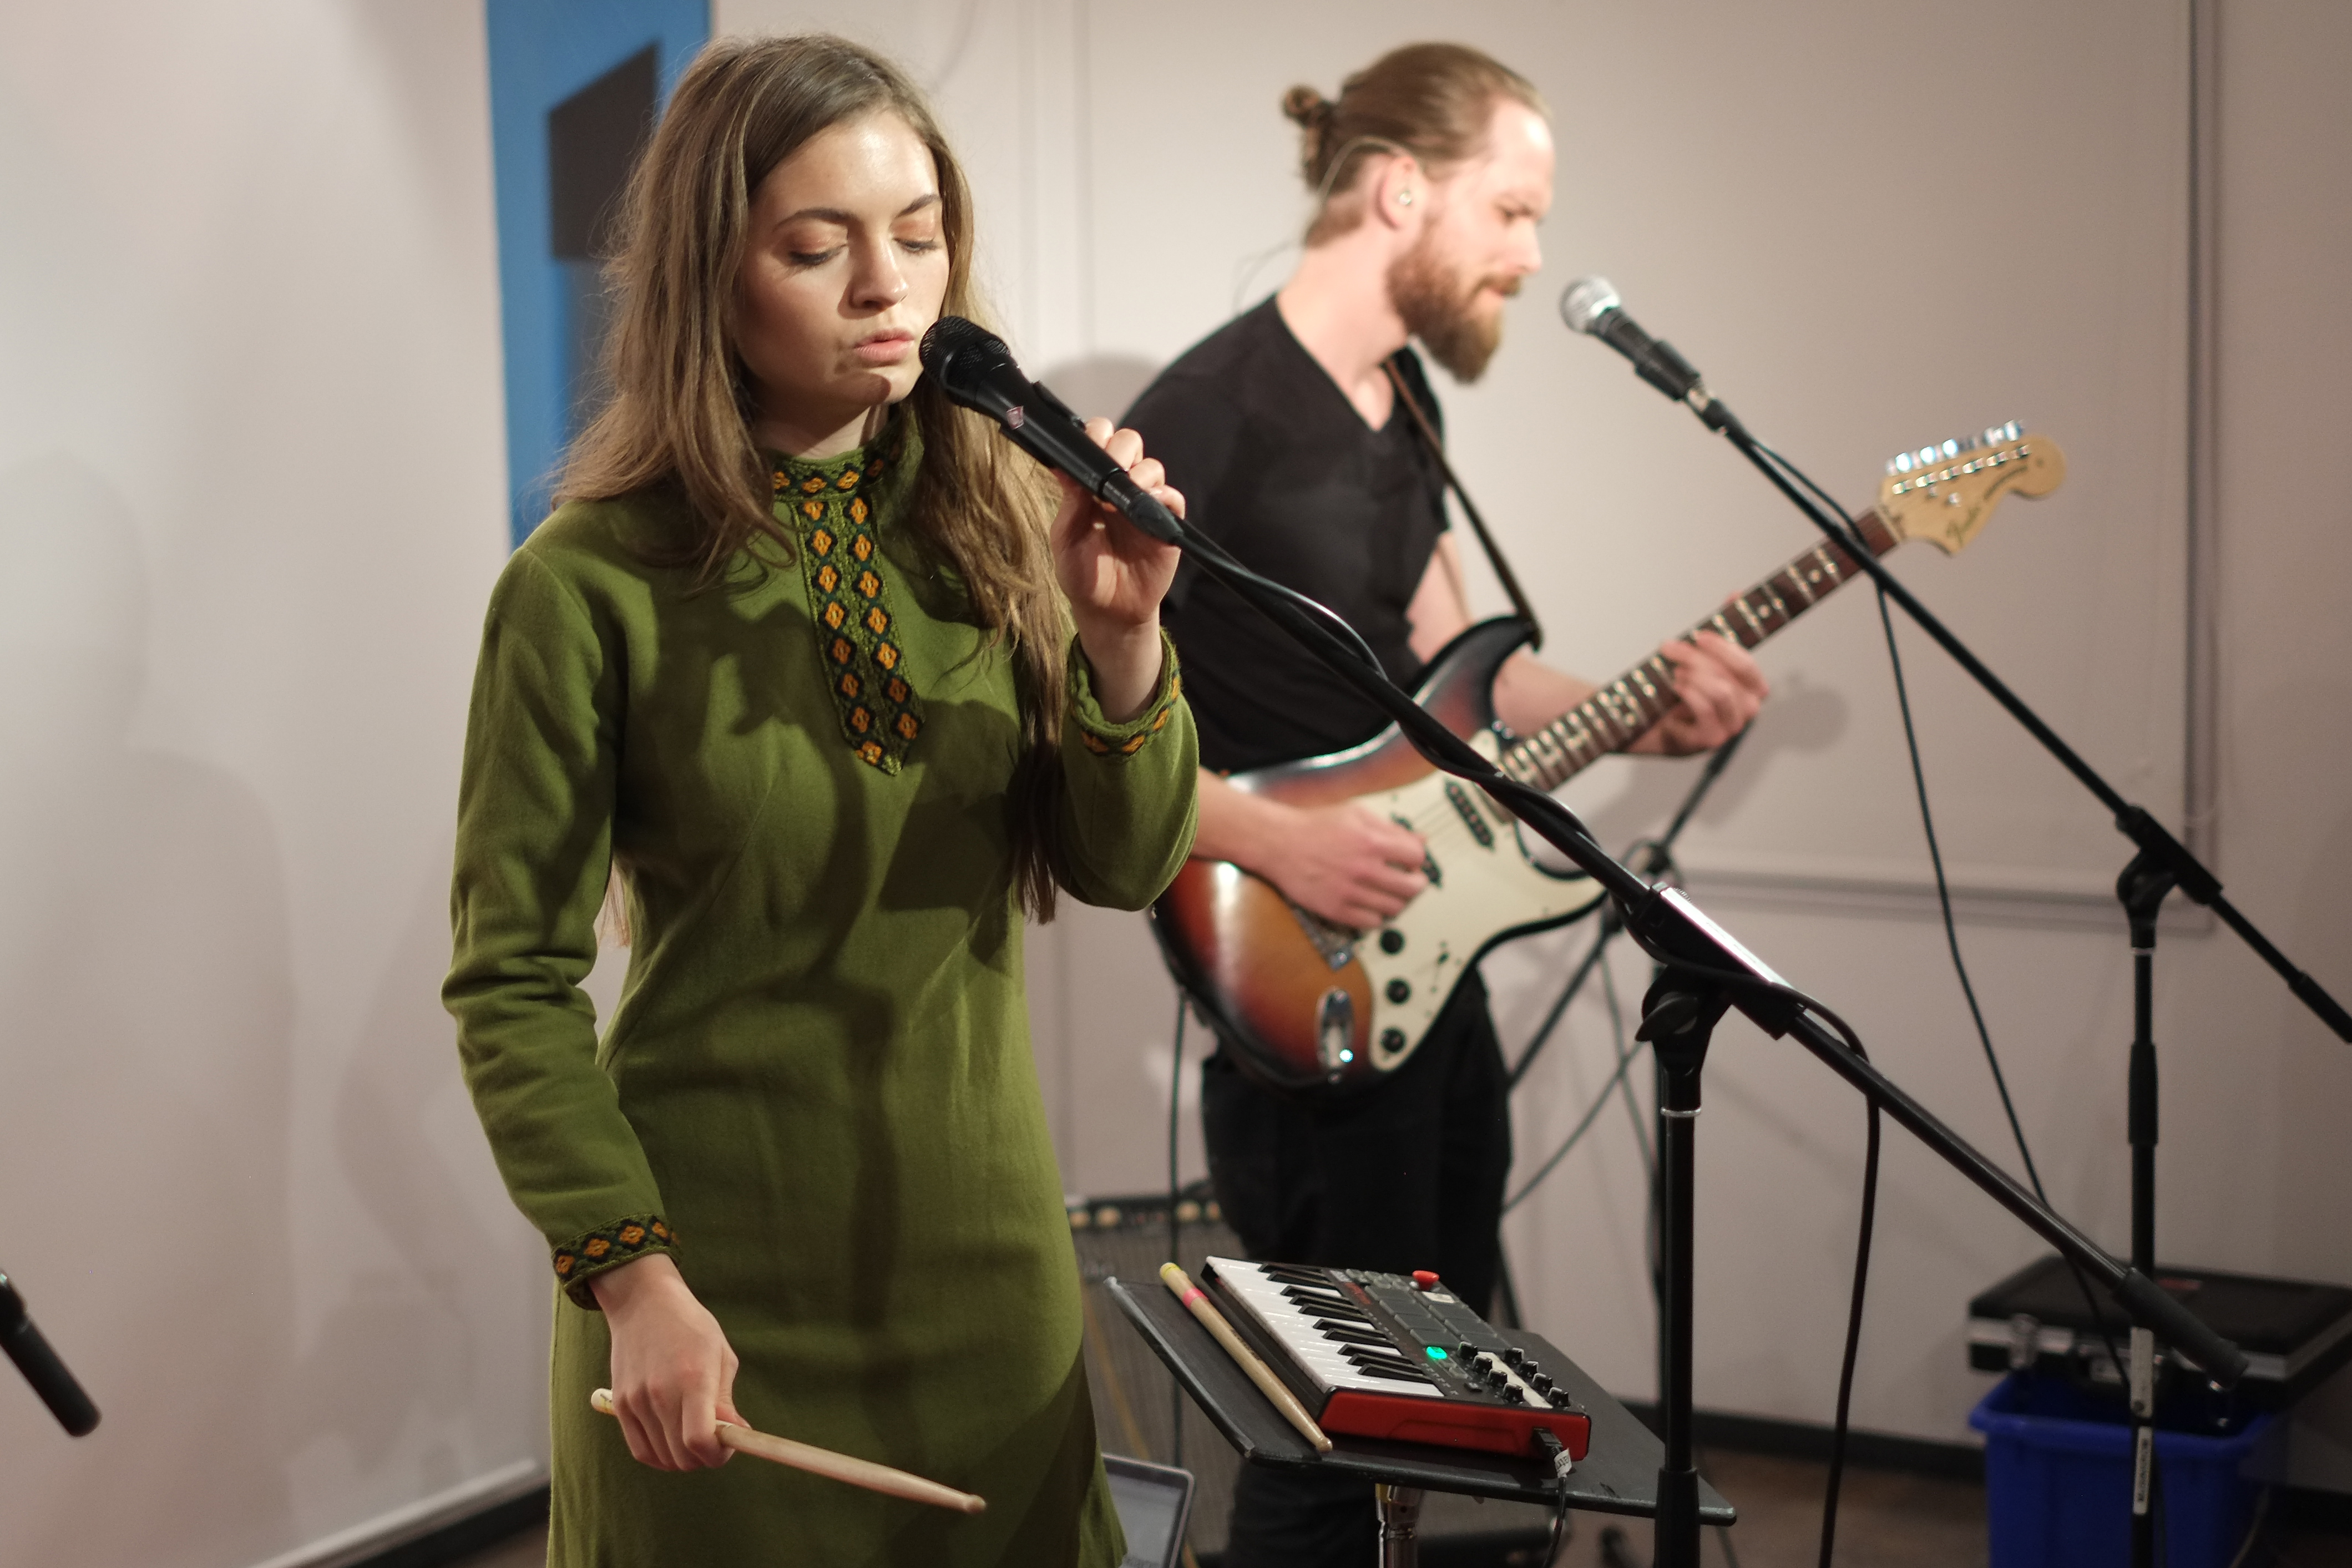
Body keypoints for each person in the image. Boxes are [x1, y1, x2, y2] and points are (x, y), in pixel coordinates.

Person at [443, 35, 1196, 1568]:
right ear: (709, 279)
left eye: (917, 235)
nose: (885, 286)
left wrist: (1125, 646)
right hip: (702, 1295)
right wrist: (632, 1280)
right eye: (817, 245)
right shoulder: (581, 586)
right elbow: (509, 981)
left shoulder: (992, 531)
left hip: (989, 1280)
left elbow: (1121, 867)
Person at [1121, 42, 1768, 1566]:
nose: (1531, 258)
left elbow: (1457, 673)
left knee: (1445, 1395)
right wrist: (1279, 837)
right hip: (1296, 982)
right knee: (1324, 1438)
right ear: (1401, 190)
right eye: (1512, 211)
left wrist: (1641, 711)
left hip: (1430, 965)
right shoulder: (1199, 413)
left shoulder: (1406, 405)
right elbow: (1068, 728)